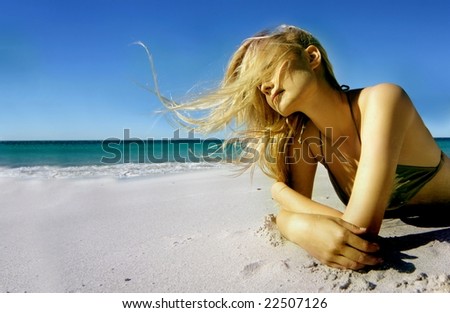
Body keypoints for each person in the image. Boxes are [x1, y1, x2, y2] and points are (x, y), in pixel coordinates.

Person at [151, 25, 450, 270]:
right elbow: (338, 224)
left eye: (268, 68)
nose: (265, 87)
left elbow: (359, 230)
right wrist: (287, 211)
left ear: (312, 57)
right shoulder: (305, 138)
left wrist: (288, 215)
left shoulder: (383, 100)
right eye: (258, 84)